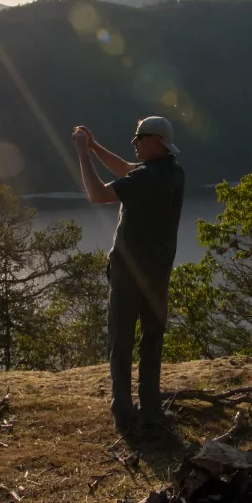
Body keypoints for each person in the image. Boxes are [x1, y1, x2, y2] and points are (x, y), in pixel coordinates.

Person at [72, 116, 185, 436]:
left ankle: (123, 412)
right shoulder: (173, 172)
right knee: (151, 342)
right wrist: (94, 146)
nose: (133, 143)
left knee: (120, 343)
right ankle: (150, 411)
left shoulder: (146, 178)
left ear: (155, 142)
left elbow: (97, 194)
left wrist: (82, 152)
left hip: (128, 274)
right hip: (158, 274)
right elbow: (125, 168)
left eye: (138, 138)